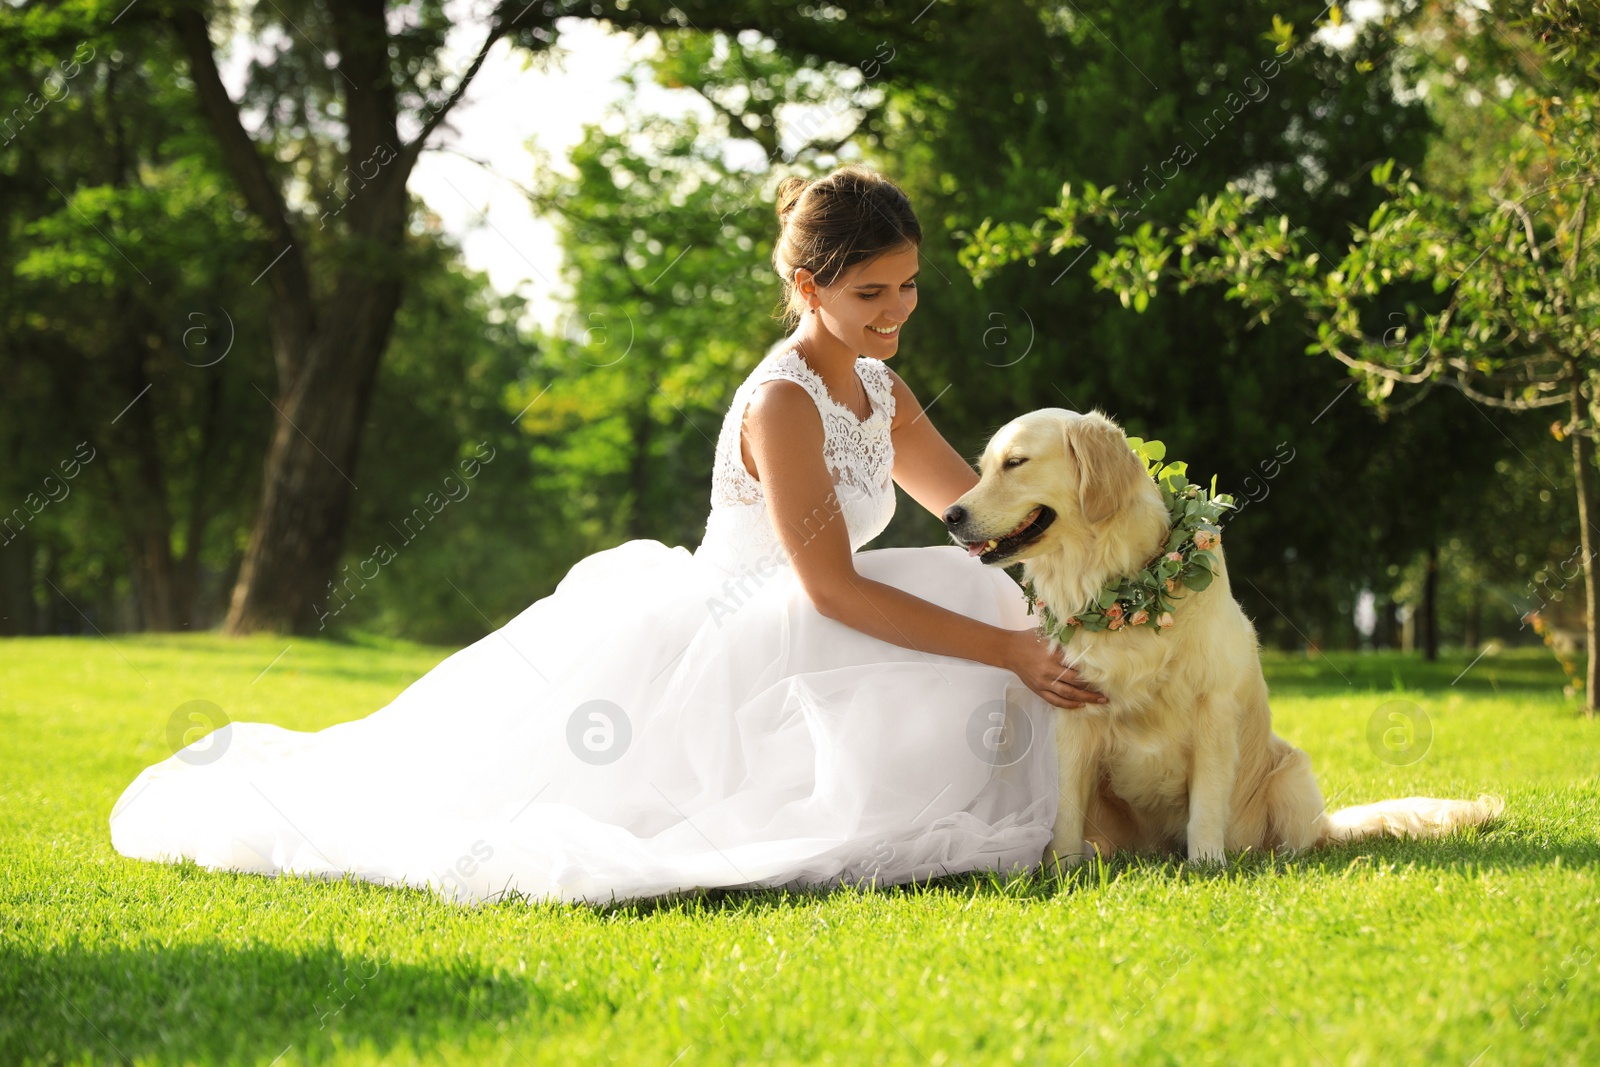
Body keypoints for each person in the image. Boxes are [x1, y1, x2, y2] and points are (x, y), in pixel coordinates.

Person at [109, 164, 1106, 907]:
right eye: (870, 294)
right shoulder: (785, 402)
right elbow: (832, 590)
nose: (896, 313)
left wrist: (1103, 534)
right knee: (971, 629)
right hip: (754, 623)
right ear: (807, 287)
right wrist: (1008, 649)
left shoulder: (878, 388)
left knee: (977, 582)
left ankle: (1109, 801)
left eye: (908, 286)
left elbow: (976, 511)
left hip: (815, 609)